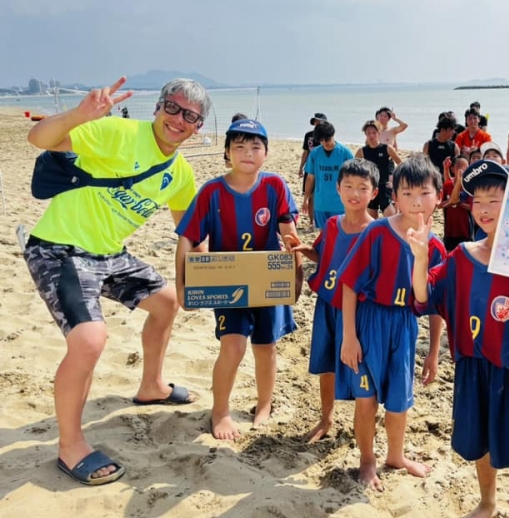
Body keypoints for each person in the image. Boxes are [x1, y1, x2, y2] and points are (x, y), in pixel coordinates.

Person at [24, 76, 210, 486]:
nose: (179, 120)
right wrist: (79, 115)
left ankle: (152, 385)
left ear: (198, 127)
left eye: (191, 116)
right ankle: (70, 445)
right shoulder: (117, 132)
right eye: (173, 108)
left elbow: (191, 234)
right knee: (90, 340)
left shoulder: (180, 173)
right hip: (59, 248)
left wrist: (206, 277)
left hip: (109, 254)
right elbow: (38, 138)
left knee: (166, 302)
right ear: (158, 107)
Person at [408, 159, 509, 518]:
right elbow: (424, 297)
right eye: (478, 201)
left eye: (494, 200)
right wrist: (420, 258)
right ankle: (487, 502)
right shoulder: (462, 256)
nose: (484, 209)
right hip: (473, 365)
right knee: (480, 441)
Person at [175, 119, 303, 440]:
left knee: (266, 346)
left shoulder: (275, 186)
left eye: (255, 147)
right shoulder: (212, 191)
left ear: (266, 153)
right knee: (232, 346)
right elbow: (188, 237)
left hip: (267, 280)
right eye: (240, 146)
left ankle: (264, 404)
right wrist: (181, 288)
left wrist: (297, 271)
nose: (248, 153)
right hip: (228, 281)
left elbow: (289, 233)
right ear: (227, 152)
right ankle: (220, 411)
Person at [337, 154, 446, 490]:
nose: (416, 202)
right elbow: (349, 284)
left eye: (424, 193)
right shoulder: (378, 231)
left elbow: (436, 305)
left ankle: (396, 456)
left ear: (439, 196)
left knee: (400, 400)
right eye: (407, 193)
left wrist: (433, 351)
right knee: (366, 398)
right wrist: (349, 336)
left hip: (405, 324)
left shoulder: (436, 247)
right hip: (370, 321)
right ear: (394, 196)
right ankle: (367, 461)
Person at [294, 158, 378, 441]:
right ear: (338, 189)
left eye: (362, 188)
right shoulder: (331, 224)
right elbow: (323, 255)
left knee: (361, 368)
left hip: (360, 313)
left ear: (374, 193)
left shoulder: (376, 232)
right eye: (349, 186)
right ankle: (326, 418)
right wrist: (303, 249)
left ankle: (364, 424)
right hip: (327, 305)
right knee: (327, 363)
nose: (355, 193)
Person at [303, 121, 355, 229]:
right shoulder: (314, 154)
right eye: (321, 140)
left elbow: (354, 178)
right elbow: (310, 178)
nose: (324, 143)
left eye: (327, 139)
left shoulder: (345, 153)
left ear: (333, 135)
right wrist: (305, 199)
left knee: (339, 233)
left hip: (340, 204)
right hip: (320, 203)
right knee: (324, 234)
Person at [356, 120, 402, 218]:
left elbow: (401, 165)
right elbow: (354, 169)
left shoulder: (387, 148)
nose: (371, 135)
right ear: (365, 134)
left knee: (391, 219)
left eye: (374, 132)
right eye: (368, 133)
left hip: (385, 187)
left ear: (379, 133)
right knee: (372, 221)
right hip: (370, 188)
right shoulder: (362, 151)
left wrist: (396, 182)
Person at [299, 113, 327, 220]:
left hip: (323, 168)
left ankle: (320, 219)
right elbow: (306, 152)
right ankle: (311, 221)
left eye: (319, 121)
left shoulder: (327, 136)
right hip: (310, 168)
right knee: (309, 195)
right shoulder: (308, 135)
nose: (317, 123)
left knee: (320, 195)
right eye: (315, 121)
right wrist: (301, 167)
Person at [440, 157, 473, 251]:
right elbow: (439, 205)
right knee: (449, 252)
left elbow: (472, 207)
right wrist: (452, 201)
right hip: (450, 230)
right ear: (452, 169)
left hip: (465, 230)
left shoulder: (469, 187)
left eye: (465, 167)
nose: (461, 170)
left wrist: (456, 202)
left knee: (465, 252)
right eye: (458, 166)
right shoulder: (447, 185)